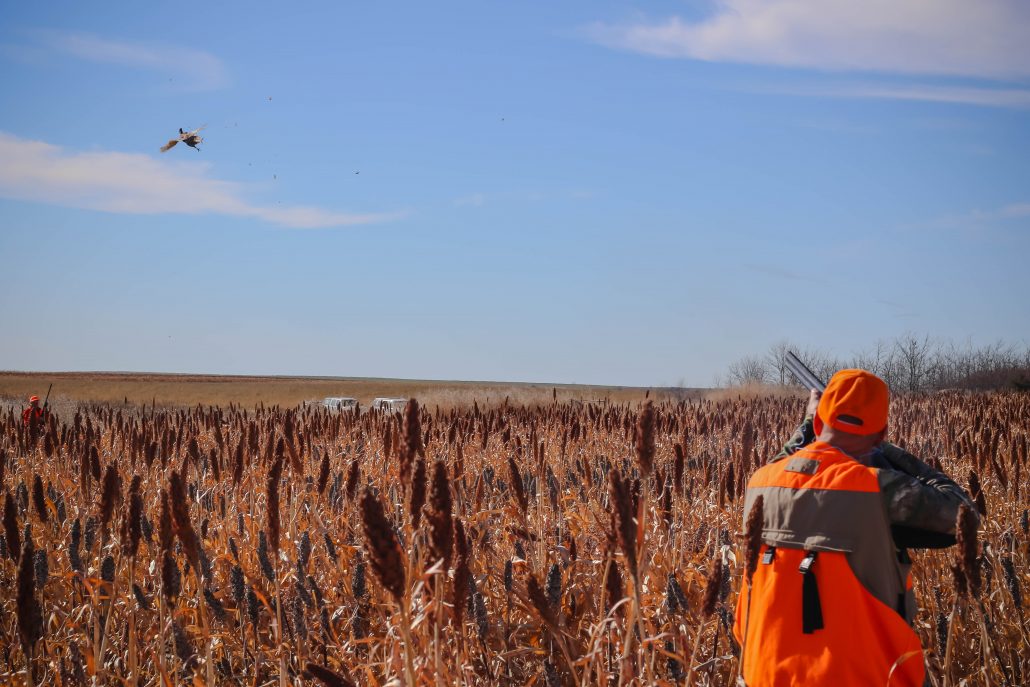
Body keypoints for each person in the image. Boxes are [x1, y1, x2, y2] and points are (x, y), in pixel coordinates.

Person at [733, 369, 975, 687]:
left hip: (766, 673)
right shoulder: (878, 488)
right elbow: (963, 515)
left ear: (818, 423)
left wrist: (807, 425)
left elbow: (783, 463)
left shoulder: (759, 483)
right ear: (881, 432)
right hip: (866, 676)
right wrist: (888, 451)